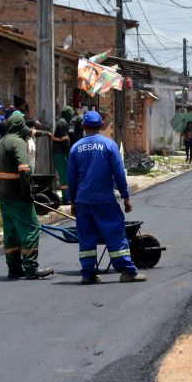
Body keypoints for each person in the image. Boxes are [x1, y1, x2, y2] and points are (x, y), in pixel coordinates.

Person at [67, 110, 146, 284]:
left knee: (86, 239)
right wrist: (125, 197)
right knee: (115, 234)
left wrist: (72, 201)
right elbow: (118, 174)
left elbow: (71, 179)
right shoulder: (109, 145)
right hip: (104, 201)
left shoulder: (75, 148)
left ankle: (88, 274)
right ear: (102, 125)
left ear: (83, 126)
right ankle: (127, 271)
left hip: (83, 202)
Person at [0, 113, 54, 280]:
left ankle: (14, 268)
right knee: (31, 228)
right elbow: (24, 169)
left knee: (11, 231)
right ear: (19, 126)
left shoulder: (1, 142)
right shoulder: (18, 142)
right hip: (18, 194)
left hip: (3, 195)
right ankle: (31, 268)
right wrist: (27, 191)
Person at [52, 106, 76, 204]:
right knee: (64, 175)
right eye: (71, 114)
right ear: (67, 114)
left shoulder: (63, 122)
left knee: (65, 174)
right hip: (59, 153)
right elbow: (65, 141)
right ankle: (66, 197)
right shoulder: (62, 123)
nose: (72, 117)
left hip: (60, 152)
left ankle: (68, 195)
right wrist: (69, 155)